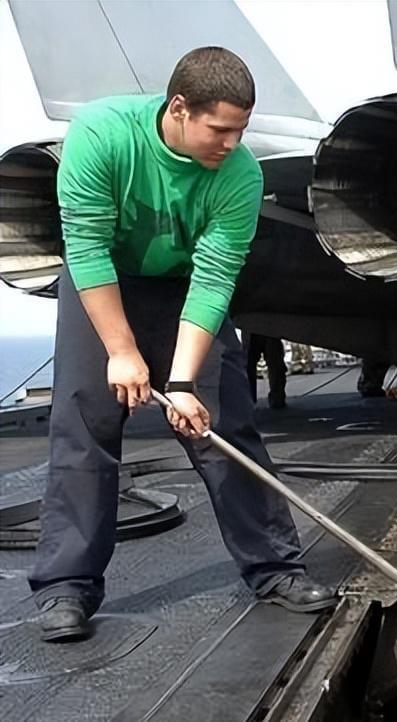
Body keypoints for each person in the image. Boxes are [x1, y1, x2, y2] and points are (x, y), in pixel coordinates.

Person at [30, 47, 336, 643]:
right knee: (86, 421)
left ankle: (275, 568)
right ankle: (66, 586)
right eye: (220, 129)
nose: (232, 143)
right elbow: (86, 248)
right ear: (179, 109)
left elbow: (215, 277)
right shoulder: (101, 135)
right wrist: (122, 352)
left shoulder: (240, 175)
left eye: (240, 130)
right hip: (104, 281)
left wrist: (181, 383)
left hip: (184, 289)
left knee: (223, 423)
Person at [244, 332, 287, 408]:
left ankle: (277, 398)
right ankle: (248, 400)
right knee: (248, 363)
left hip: (267, 329)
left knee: (274, 360)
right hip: (261, 328)